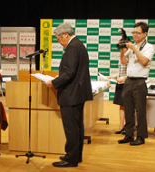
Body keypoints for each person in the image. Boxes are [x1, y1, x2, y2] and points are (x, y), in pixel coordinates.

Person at [45, 23, 93, 167]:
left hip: (71, 94)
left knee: (71, 127)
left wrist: (54, 82)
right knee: (77, 126)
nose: (58, 42)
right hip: (77, 93)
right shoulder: (79, 45)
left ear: (66, 35)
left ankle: (71, 158)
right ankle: (75, 155)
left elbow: (70, 72)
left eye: (58, 38)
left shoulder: (72, 47)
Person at [118, 22, 155, 146]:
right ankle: (128, 134)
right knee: (128, 109)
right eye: (133, 32)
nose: (135, 35)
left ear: (145, 34)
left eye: (138, 33)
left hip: (140, 82)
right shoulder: (132, 46)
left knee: (140, 111)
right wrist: (123, 49)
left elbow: (144, 61)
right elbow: (123, 62)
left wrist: (134, 49)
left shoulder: (149, 47)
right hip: (128, 81)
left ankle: (140, 136)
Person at [108, 60, 127, 134]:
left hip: (127, 83)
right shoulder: (121, 57)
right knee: (121, 106)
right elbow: (121, 72)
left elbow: (132, 73)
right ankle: (121, 126)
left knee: (128, 106)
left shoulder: (130, 56)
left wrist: (124, 78)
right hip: (120, 83)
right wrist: (112, 76)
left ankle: (128, 127)